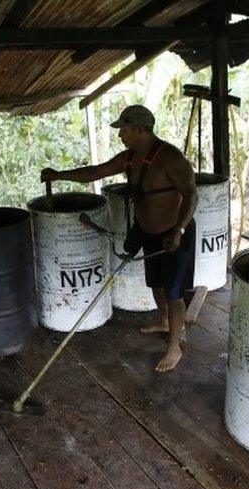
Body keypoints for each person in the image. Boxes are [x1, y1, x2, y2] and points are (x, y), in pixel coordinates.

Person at [41, 105, 198, 372]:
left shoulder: (170, 158)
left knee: (174, 292)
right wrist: (59, 175)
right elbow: (95, 172)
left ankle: (175, 347)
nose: (120, 135)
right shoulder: (129, 158)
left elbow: (192, 196)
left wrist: (178, 231)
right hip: (148, 232)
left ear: (139, 129)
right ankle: (163, 320)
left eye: (123, 130)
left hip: (175, 234)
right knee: (156, 284)